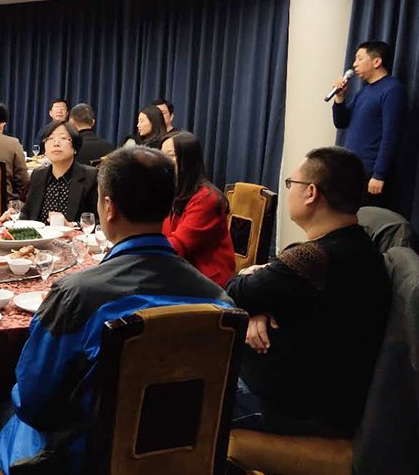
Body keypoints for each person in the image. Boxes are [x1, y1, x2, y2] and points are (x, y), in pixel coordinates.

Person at [0, 147, 232, 473]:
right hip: (184, 459)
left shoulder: (78, 296)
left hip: (85, 460)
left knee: (0, 409)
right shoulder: (218, 301)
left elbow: (35, 403)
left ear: (108, 207)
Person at [225, 146, 390, 437]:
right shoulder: (359, 245)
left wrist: (253, 297)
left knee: (181, 388)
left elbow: (233, 291)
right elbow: (266, 293)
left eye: (291, 183)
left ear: (311, 193)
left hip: (292, 409)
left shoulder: (312, 259)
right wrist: (258, 308)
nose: (288, 190)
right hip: (331, 400)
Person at [331, 40, 406, 207]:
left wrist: (379, 174)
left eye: (359, 58)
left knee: (368, 217)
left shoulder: (392, 90)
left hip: (371, 174)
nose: (354, 64)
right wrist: (340, 98)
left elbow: (391, 135)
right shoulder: (364, 91)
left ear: (376, 61)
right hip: (354, 170)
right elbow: (341, 122)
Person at [160, 132, 234, 286]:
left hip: (207, 283)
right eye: (161, 155)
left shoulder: (207, 199)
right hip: (178, 271)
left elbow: (177, 246)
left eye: (170, 156)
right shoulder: (172, 191)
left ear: (188, 161)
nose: (162, 162)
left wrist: (136, 251)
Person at [9, 120, 98, 224]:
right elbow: (28, 214)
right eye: (50, 138)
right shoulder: (38, 175)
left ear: (75, 147)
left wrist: (73, 225)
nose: (56, 143)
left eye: (63, 138)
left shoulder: (90, 177)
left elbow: (100, 220)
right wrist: (14, 217)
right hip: (39, 234)